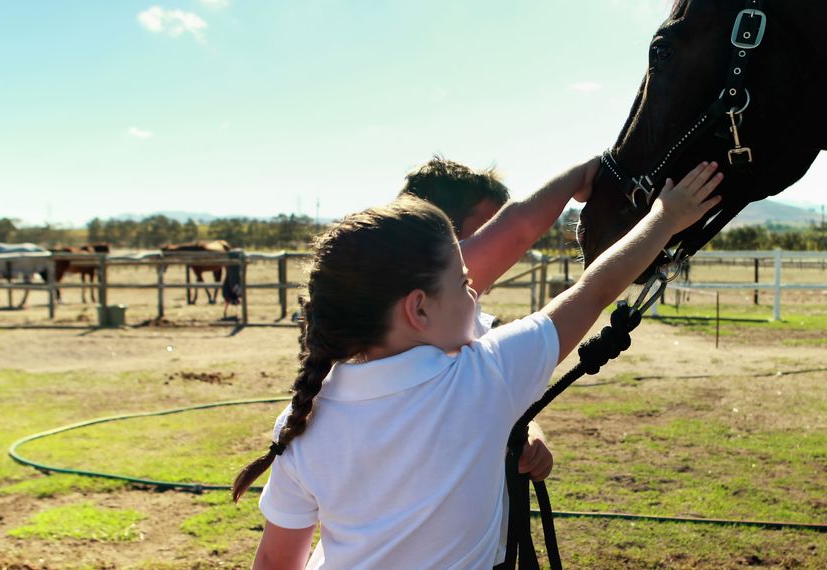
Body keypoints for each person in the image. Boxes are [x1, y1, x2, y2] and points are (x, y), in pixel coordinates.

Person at [234, 162, 723, 569]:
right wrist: (665, 218)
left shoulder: (302, 421)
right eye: (464, 281)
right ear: (419, 309)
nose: (475, 290)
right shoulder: (484, 376)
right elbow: (593, 291)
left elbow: (277, 562)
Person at [398, 155, 596, 482]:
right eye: (490, 227)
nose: (501, 245)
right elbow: (520, 229)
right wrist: (583, 173)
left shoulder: (472, 321)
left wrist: (528, 432)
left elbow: (501, 401)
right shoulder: (417, 298)